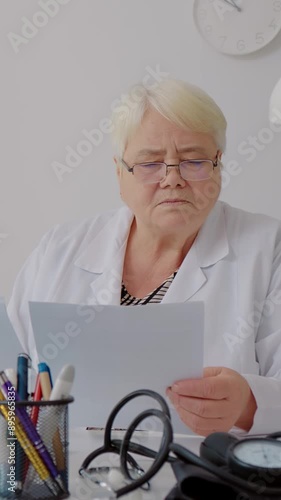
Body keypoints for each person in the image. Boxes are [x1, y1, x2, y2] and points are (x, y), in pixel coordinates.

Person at [8, 78, 281, 437]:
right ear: (120, 173)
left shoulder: (268, 247)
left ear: (218, 165)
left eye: (194, 160)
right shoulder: (59, 249)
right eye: (151, 163)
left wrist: (249, 404)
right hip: (71, 482)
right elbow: (11, 372)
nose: (173, 179)